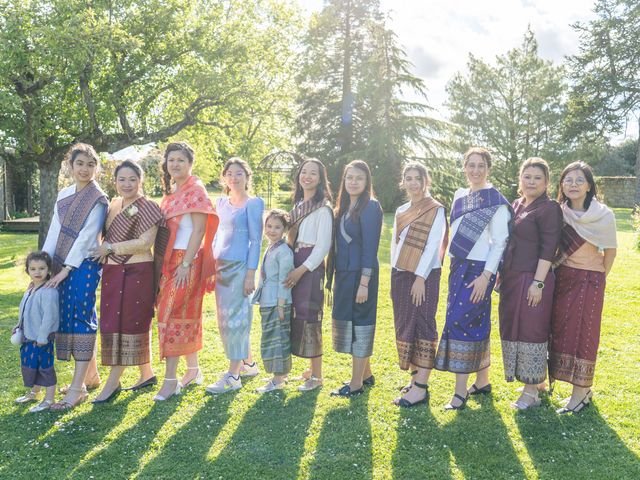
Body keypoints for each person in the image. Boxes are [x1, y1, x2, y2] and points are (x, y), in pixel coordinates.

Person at [434, 148, 511, 410]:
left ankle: (459, 392)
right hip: (458, 267)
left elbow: (499, 243)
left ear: (488, 168)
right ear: (464, 167)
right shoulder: (459, 195)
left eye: (481, 166)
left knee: (460, 322)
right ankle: (483, 380)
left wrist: (485, 277)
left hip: (479, 271)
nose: (476, 171)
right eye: (471, 165)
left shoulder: (496, 201)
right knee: (476, 321)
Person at [90, 160, 165, 402]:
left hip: (137, 271)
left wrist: (110, 247)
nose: (127, 184)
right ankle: (147, 374)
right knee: (113, 321)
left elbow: (145, 243)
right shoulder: (112, 205)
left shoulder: (149, 207)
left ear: (140, 181)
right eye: (122, 179)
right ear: (115, 182)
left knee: (131, 322)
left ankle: (112, 383)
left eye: (132, 179)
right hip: (112, 272)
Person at [43, 143, 108, 410]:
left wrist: (66, 269)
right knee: (69, 317)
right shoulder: (64, 194)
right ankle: (90, 375)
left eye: (91, 165)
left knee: (81, 319)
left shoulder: (98, 199)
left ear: (97, 168)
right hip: (59, 265)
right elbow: (53, 232)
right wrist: (47, 267)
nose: (85, 169)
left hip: (83, 266)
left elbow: (87, 237)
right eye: (80, 163)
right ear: (71, 166)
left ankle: (78, 387)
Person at [550, 161, 617, 414]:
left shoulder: (603, 215)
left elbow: (610, 252)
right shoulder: (559, 212)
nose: (573, 185)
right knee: (561, 331)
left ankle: (580, 393)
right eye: (568, 180)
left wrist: (599, 277)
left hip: (590, 280)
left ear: (589, 185)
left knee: (584, 335)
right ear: (562, 185)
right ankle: (563, 384)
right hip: (563, 277)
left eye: (579, 180)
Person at [154, 142, 218, 401]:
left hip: (186, 261)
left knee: (171, 316)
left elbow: (200, 231)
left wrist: (186, 263)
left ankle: (171, 382)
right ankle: (193, 370)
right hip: (169, 261)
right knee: (183, 314)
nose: (175, 164)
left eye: (181, 160)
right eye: (171, 160)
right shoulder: (171, 194)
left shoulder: (196, 191)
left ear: (190, 163)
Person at [499, 157, 562, 410]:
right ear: (520, 180)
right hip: (512, 278)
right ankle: (535, 382)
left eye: (538, 178)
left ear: (547, 182)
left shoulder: (549, 208)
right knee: (513, 328)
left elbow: (549, 248)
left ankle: (530, 392)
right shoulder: (517, 204)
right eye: (527, 177)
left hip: (533, 278)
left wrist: (538, 283)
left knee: (531, 330)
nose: (532, 181)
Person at [391, 162, 447, 408]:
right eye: (409, 178)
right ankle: (414, 380)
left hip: (424, 276)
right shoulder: (401, 209)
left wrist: (420, 278)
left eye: (418, 178)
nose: (413, 183)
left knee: (423, 325)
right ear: (403, 182)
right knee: (406, 326)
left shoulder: (436, 210)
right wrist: (397, 273)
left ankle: (421, 388)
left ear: (427, 181)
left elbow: (433, 245)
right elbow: (395, 246)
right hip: (400, 275)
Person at [206, 158, 264, 394]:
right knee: (225, 319)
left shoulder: (253, 204)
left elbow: (256, 241)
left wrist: (251, 274)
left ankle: (233, 375)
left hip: (241, 268)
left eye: (239, 173)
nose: (233, 177)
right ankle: (249, 364)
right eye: (229, 173)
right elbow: (216, 235)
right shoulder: (220, 202)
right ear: (224, 178)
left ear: (247, 177)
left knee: (237, 319)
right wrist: (210, 264)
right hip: (221, 267)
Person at [329, 160, 383, 397]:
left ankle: (355, 384)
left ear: (366, 181)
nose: (353, 182)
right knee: (351, 324)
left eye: (359, 178)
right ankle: (366, 374)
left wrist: (364, 283)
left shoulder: (371, 207)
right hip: (344, 275)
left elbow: (370, 249)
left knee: (360, 324)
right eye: (349, 177)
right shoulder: (343, 206)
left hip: (361, 276)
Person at [283, 158, 333, 391]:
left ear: (321, 179)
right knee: (297, 314)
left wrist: (301, 271)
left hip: (310, 267)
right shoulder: (298, 205)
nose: (308, 177)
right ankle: (311, 369)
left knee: (311, 316)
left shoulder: (323, 208)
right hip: (294, 261)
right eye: (304, 172)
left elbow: (323, 247)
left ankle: (318, 376)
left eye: (313, 173)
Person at [252, 209, 295, 393]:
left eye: (277, 227)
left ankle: (278, 380)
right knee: (270, 337)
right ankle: (279, 375)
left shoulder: (284, 251)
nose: (272, 230)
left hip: (277, 303)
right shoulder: (271, 247)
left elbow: (284, 281)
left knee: (277, 339)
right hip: (267, 300)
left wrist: (280, 305)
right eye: (269, 226)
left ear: (285, 229)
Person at [13, 251, 59, 413]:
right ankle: (34, 392)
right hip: (28, 335)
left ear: (49, 270)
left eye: (42, 268)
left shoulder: (49, 291)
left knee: (44, 367)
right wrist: (19, 325)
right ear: (28, 271)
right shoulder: (31, 289)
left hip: (41, 338)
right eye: (33, 269)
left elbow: (50, 317)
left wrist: (42, 337)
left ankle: (49, 399)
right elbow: (24, 309)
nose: (37, 272)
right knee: (30, 365)